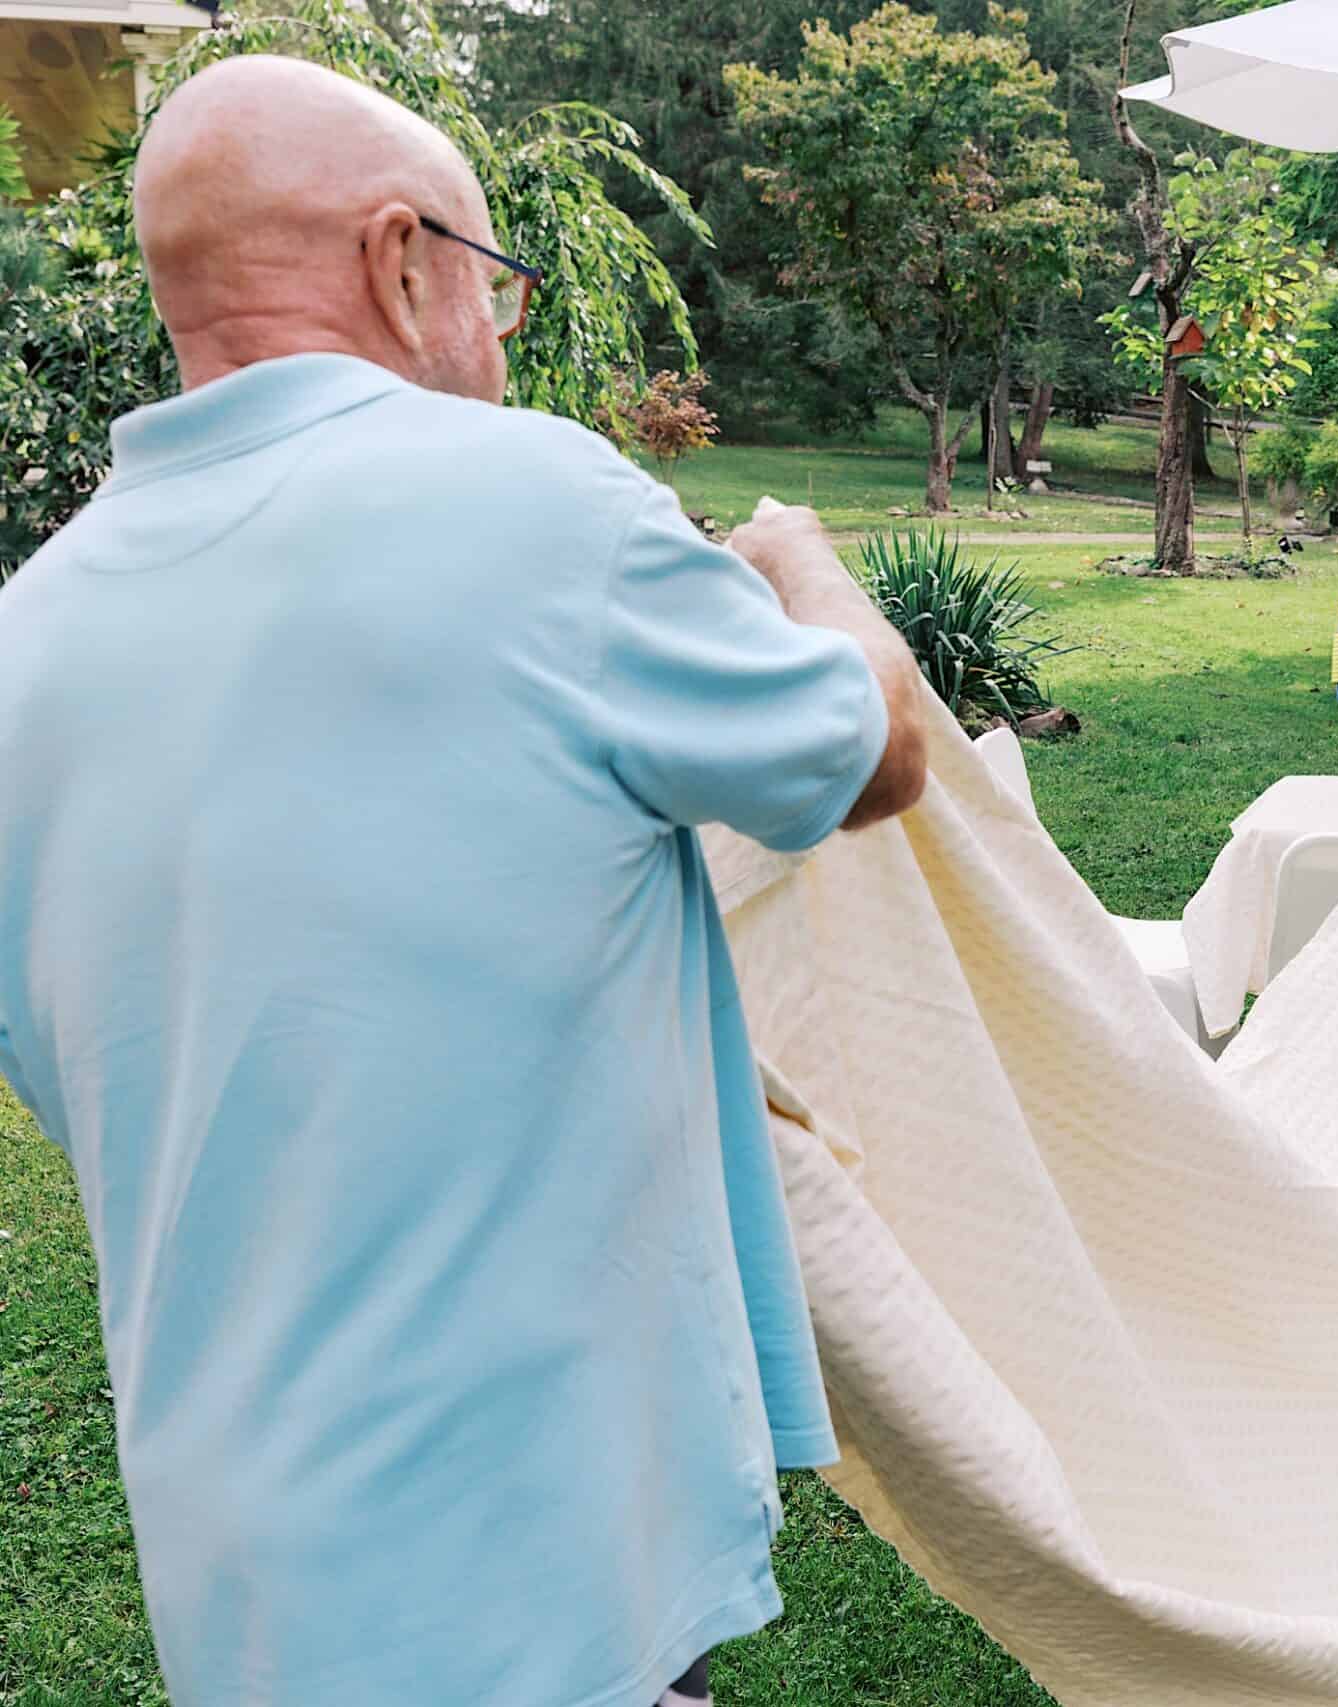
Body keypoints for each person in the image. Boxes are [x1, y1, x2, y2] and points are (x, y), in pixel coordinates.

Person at [0, 56, 928, 1706]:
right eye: (498, 287)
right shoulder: (529, 500)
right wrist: (806, 571)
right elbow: (871, 759)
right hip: (535, 1566)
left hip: (245, 1579)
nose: (503, 337)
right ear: (399, 259)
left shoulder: (31, 636)